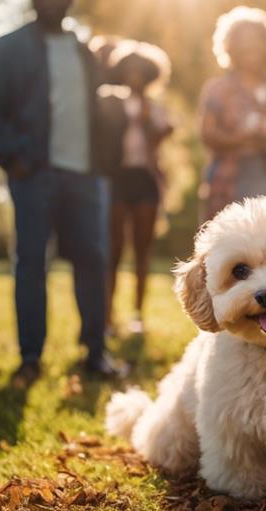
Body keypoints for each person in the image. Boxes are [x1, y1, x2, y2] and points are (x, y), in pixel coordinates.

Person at [0, 0, 123, 386]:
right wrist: (15, 157)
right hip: (33, 174)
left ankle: (95, 353)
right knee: (31, 264)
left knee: (93, 262)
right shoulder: (3, 50)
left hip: (85, 176)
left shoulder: (83, 51)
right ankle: (30, 359)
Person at [100, 40, 173, 336]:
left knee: (142, 250)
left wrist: (146, 123)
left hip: (144, 179)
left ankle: (138, 315)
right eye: (129, 69)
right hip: (117, 178)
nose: (134, 75)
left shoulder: (154, 108)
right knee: (113, 250)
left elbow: (159, 139)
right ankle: (107, 316)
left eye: (140, 71)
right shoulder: (110, 101)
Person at [199, 6, 266, 221]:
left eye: (257, 40)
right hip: (228, 176)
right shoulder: (219, 88)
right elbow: (207, 134)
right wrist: (244, 138)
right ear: (231, 46)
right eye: (244, 41)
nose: (251, 46)